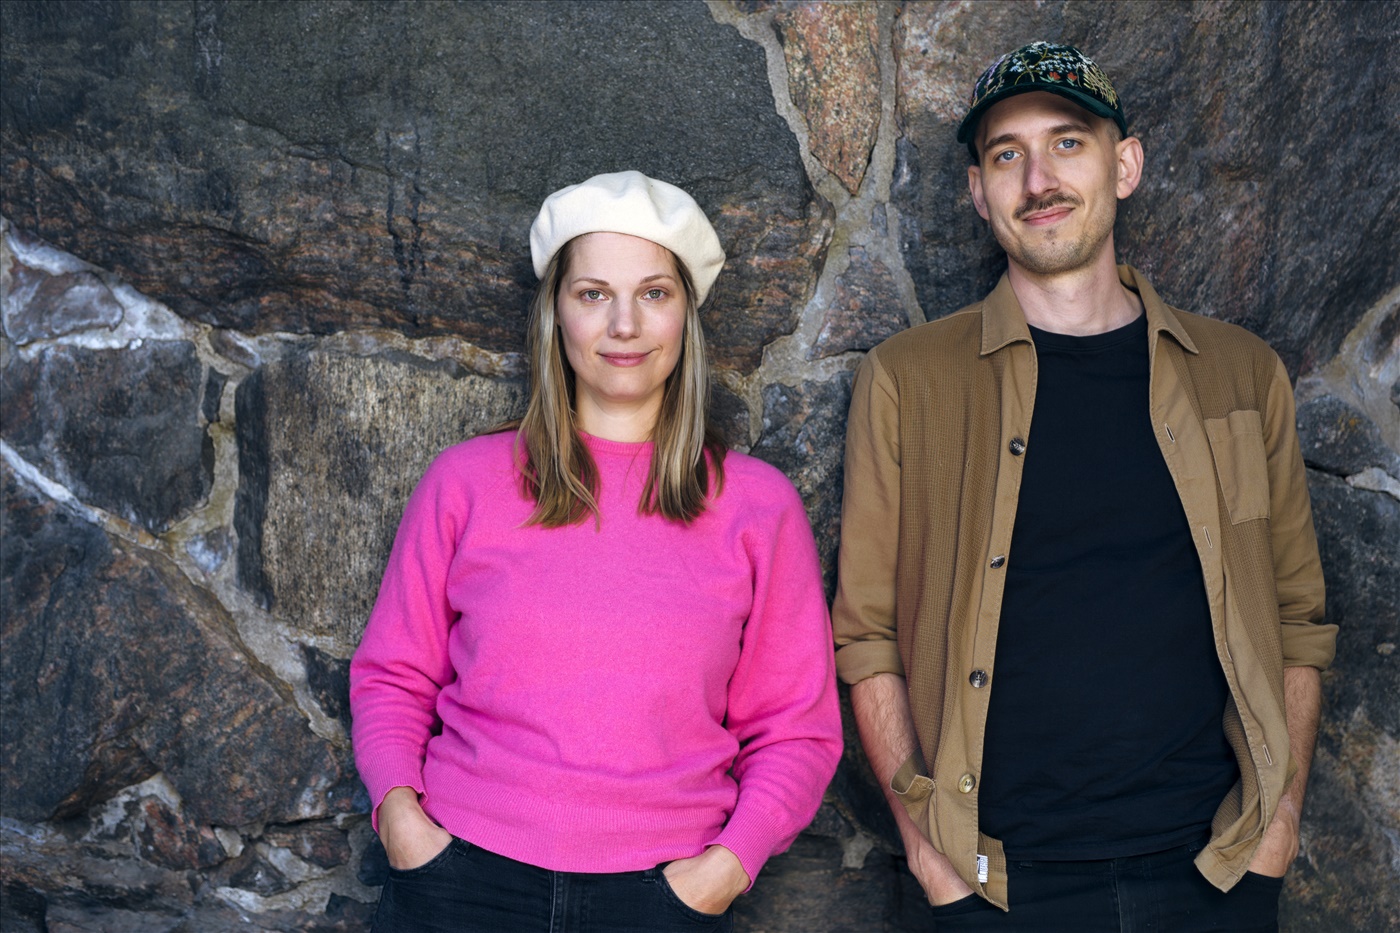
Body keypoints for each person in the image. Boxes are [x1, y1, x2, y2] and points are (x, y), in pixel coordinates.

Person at [833, 42, 1334, 931]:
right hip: (997, 885)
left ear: (1125, 166)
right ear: (979, 192)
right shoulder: (907, 379)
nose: (1039, 180)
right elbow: (867, 634)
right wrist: (929, 853)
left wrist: (1279, 823)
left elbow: (1296, 614)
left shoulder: (1239, 373)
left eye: (1068, 142)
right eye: (1007, 154)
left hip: (1214, 871)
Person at [351, 170, 842, 932]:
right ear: (556, 313)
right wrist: (401, 821)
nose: (624, 324)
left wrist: (727, 865)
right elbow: (392, 676)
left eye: (653, 293)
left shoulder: (757, 506)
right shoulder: (464, 483)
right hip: (460, 881)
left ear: (685, 315)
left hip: (662, 896)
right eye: (593, 294)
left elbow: (796, 729)